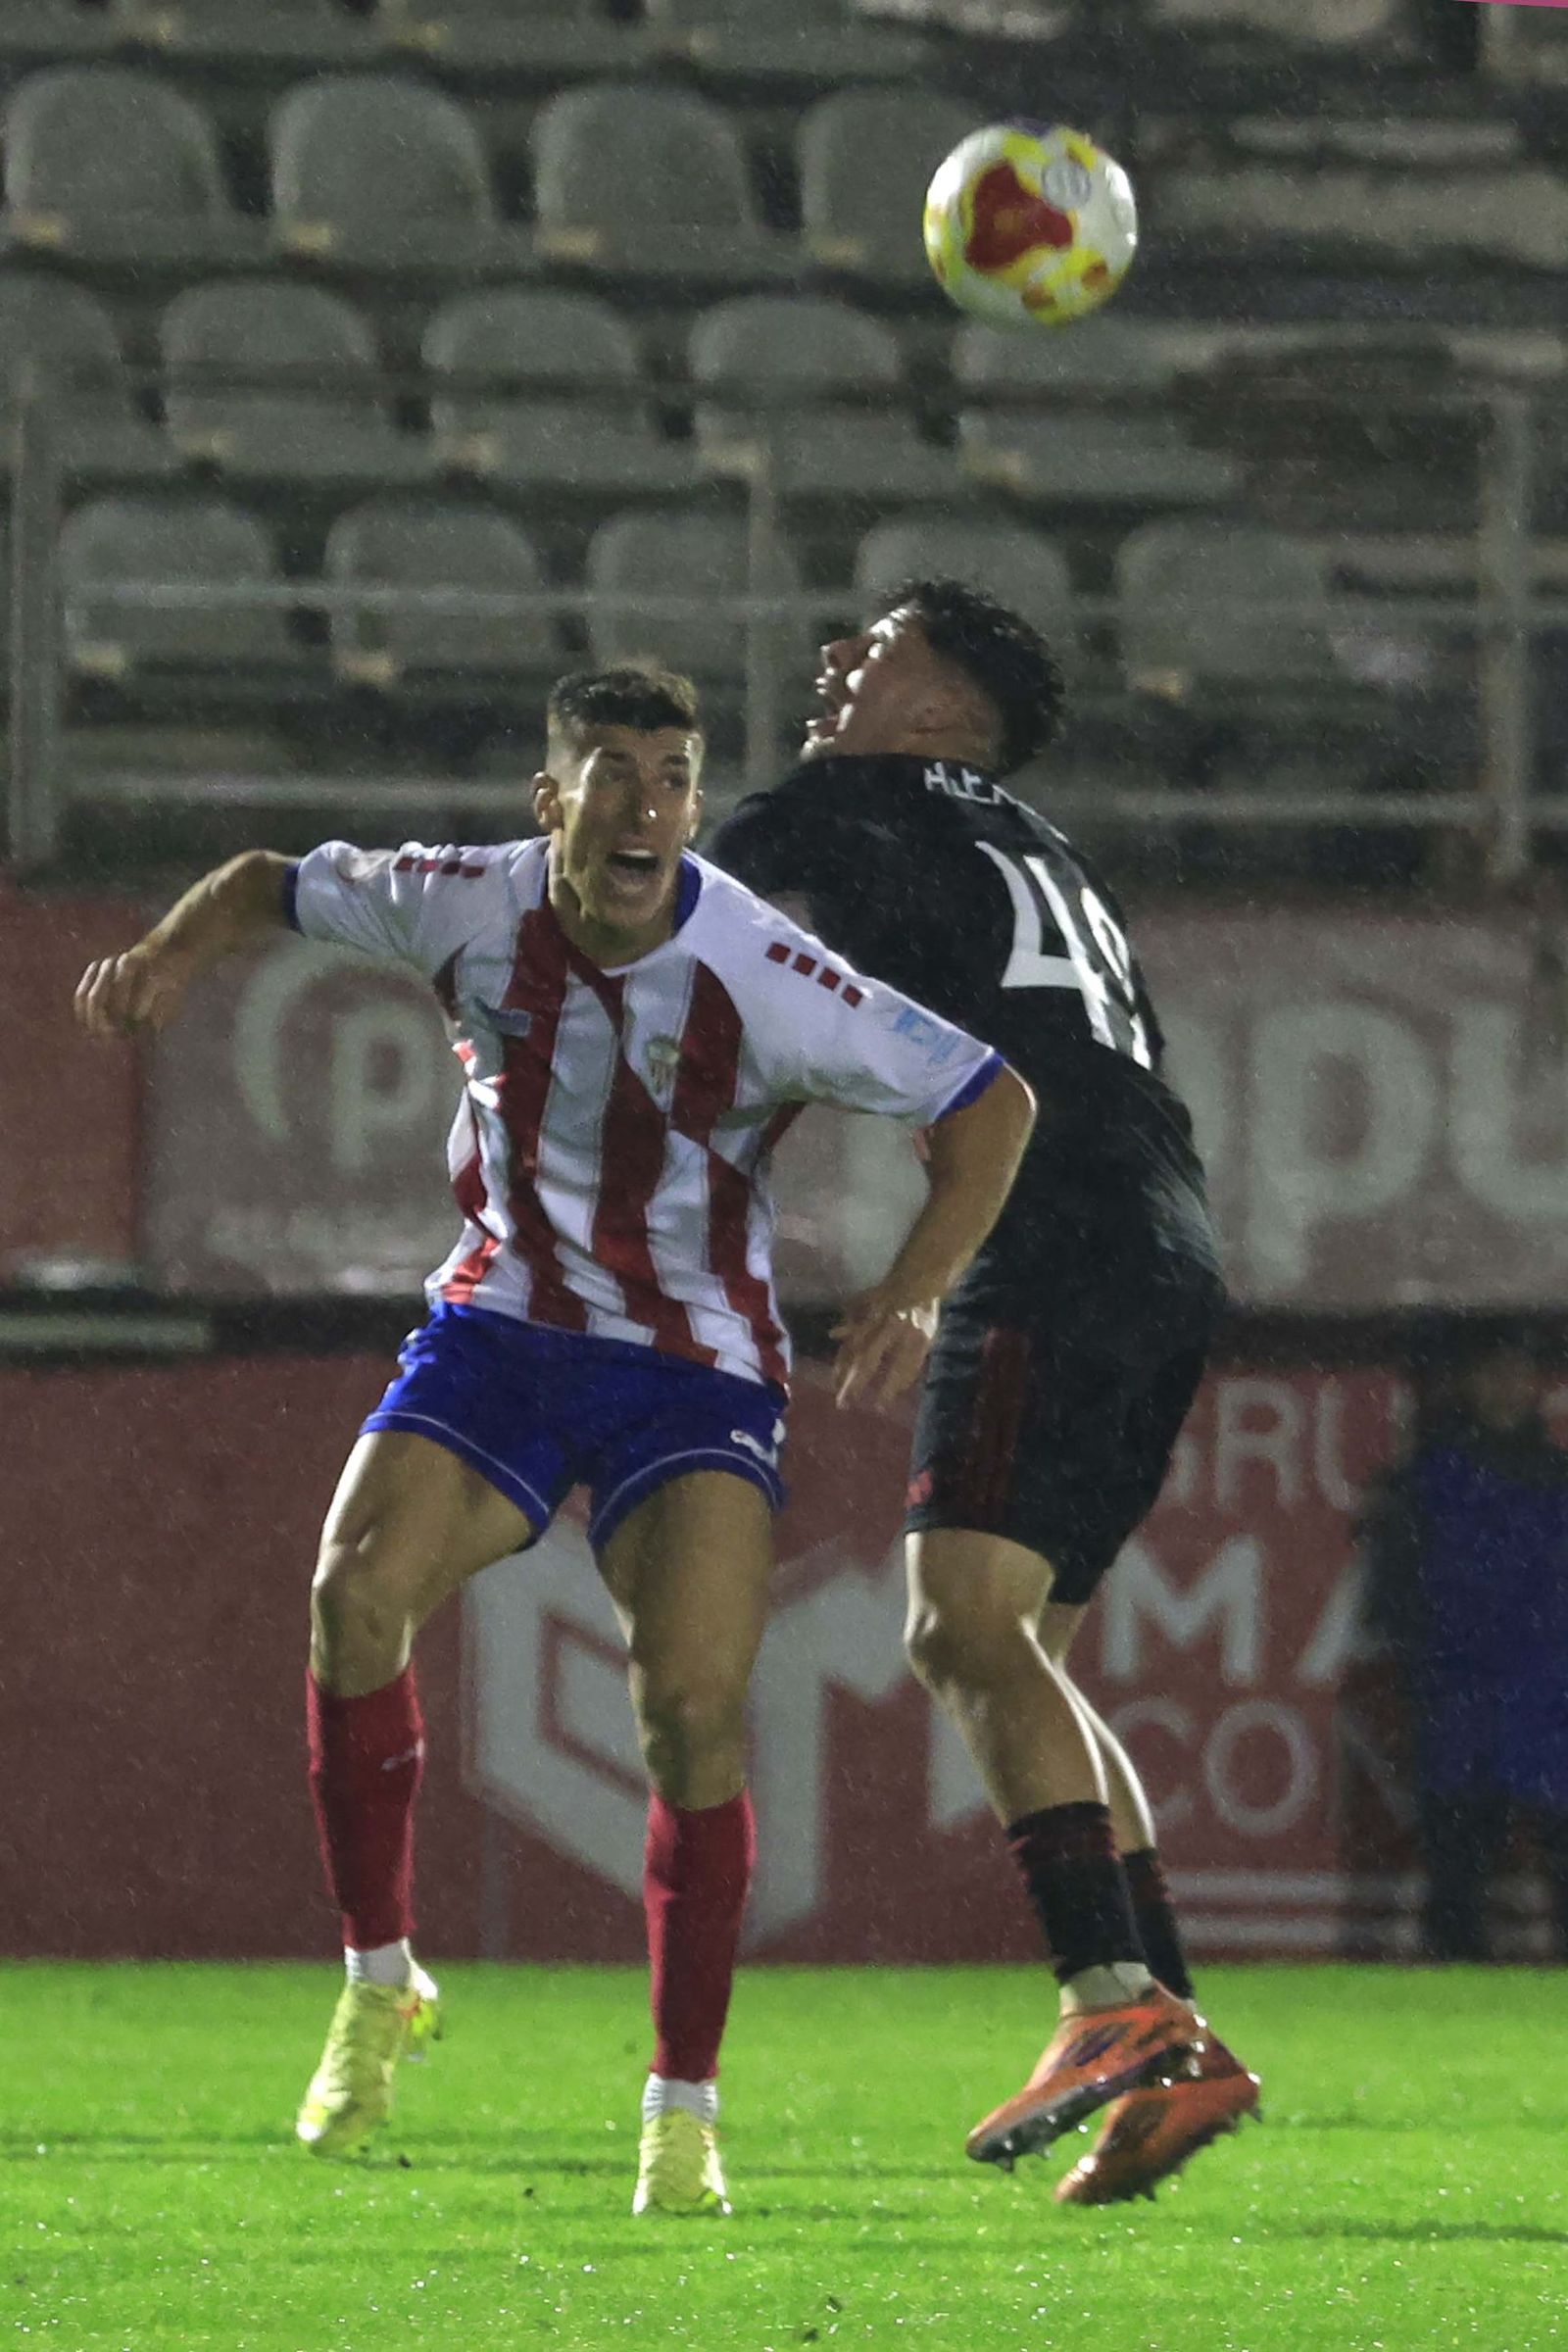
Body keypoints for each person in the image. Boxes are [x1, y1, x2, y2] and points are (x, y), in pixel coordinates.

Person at [73, 662, 1035, 2217]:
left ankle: (680, 2107)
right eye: (614, 772)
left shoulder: (764, 969)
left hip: (692, 1367)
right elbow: (264, 883)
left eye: (672, 775)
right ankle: (382, 1981)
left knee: (693, 1712)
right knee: (349, 1601)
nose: (645, 802)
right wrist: (169, 961)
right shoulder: (467, 901)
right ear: (554, 802)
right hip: (503, 1330)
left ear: (695, 806)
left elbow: (992, 1106)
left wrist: (916, 1293)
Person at [710, 580, 1258, 2205]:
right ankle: (1177, 2044)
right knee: (1035, 1666)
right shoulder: (1037, 843)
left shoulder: (848, 801)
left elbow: (670, 919)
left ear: (947, 707)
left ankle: (1109, 1999)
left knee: (958, 1629)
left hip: (1053, 1229)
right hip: (1168, 1235)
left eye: (874, 652)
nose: (834, 667)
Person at [1360, 1332, 1568, 1964]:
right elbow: (1397, 1585)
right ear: (1471, 1380)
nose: (1508, 1386)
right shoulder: (1427, 1477)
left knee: (1557, 1833)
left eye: (1520, 1371)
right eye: (1495, 1370)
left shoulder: (1556, 1478)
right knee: (1457, 1834)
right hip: (1459, 1675)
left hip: (1547, 1677)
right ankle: (1454, 1959)